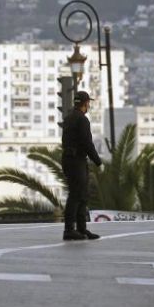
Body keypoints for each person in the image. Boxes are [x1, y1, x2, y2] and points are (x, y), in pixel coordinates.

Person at [60, 90, 102, 241]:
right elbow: (87, 143)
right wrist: (98, 161)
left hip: (69, 159)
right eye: (88, 103)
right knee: (77, 195)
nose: (88, 105)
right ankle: (69, 230)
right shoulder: (82, 120)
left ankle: (82, 229)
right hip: (76, 160)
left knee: (81, 195)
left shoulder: (69, 118)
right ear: (85, 103)